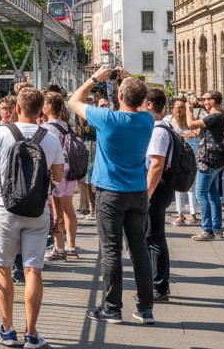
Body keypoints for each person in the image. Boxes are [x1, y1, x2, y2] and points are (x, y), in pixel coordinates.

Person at [0, 87, 64, 349]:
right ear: (41, 111)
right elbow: (58, 177)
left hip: (6, 209)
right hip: (38, 211)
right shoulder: (50, 138)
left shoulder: (1, 133)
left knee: (2, 267)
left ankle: (7, 330)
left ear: (17, 109)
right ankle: (32, 334)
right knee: (32, 270)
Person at [69, 67, 156, 325]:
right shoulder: (147, 120)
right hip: (138, 192)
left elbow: (74, 100)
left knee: (111, 250)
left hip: (110, 193)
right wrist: (129, 79)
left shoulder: (107, 119)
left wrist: (96, 78)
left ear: (119, 96)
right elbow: (137, 100)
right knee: (139, 249)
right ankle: (145, 307)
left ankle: (112, 307)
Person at [143, 88, 177, 302]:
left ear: (149, 105)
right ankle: (157, 283)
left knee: (154, 236)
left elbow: (156, 165)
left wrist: (145, 194)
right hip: (160, 185)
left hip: (156, 186)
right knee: (152, 235)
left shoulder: (158, 130)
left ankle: (159, 286)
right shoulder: (164, 127)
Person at [183, 91, 224, 241]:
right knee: (213, 195)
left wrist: (188, 109)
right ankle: (216, 229)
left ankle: (207, 229)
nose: (204, 102)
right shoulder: (219, 115)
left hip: (208, 160)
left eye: (207, 99)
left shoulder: (215, 116)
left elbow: (191, 124)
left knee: (201, 194)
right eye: (203, 99)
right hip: (216, 159)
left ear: (215, 100)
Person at [42, 92, 79, 260]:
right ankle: (71, 245)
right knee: (69, 209)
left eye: (44, 104)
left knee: (56, 210)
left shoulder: (48, 128)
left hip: (56, 172)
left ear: (49, 106)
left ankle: (59, 247)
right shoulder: (65, 125)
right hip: (69, 171)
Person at [164, 98, 199, 225]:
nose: (179, 110)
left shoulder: (190, 121)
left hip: (190, 156)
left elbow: (197, 133)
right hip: (177, 157)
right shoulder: (169, 120)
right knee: (178, 186)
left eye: (181, 107)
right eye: (177, 107)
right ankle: (180, 214)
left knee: (191, 185)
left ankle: (193, 213)